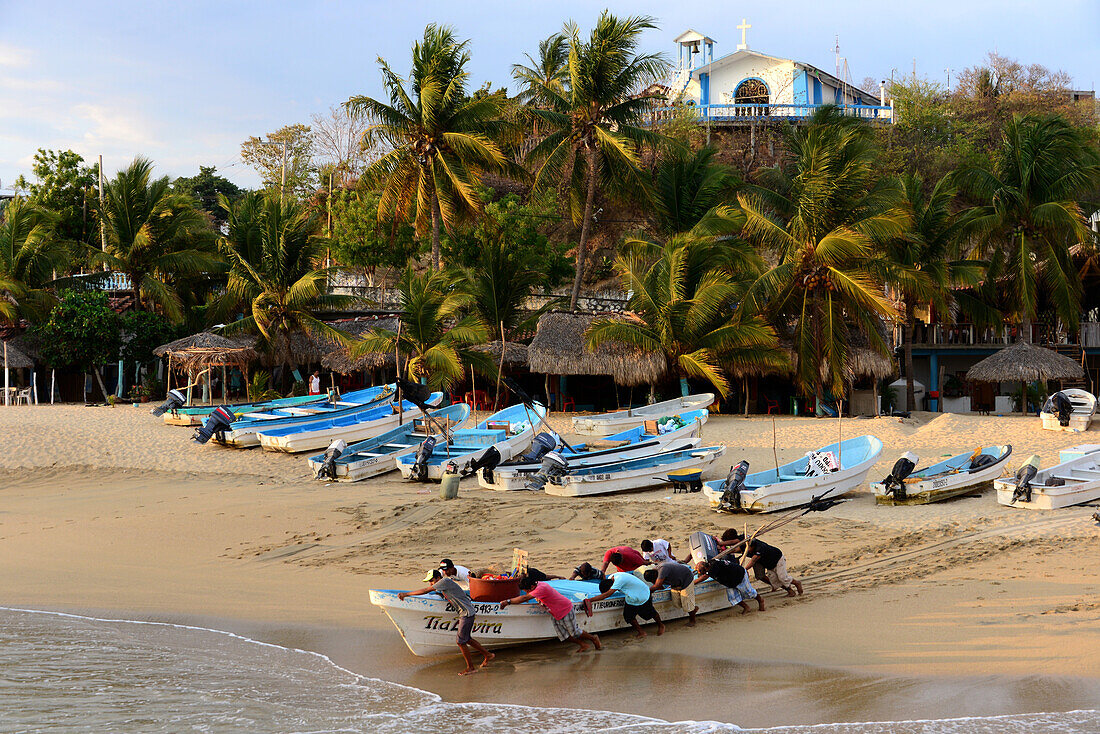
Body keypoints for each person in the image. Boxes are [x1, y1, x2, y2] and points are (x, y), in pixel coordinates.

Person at [398, 568, 494, 675]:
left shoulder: (444, 581)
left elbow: (426, 590)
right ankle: (488, 655)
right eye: (430, 581)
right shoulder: (443, 584)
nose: (431, 583)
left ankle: (470, 667)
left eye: (432, 580)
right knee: (467, 639)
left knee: (461, 641)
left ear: (438, 578)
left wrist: (406, 594)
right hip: (466, 612)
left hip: (466, 613)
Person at [500, 576, 601, 652]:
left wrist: (507, 602)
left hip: (564, 609)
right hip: (554, 612)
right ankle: (583, 645)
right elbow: (527, 596)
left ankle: (593, 638)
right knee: (563, 635)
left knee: (575, 632)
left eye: (527, 590)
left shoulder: (541, 588)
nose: (526, 592)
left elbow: (525, 598)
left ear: (531, 586)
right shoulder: (536, 585)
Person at [584, 572, 665, 638]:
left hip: (643, 594)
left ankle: (661, 625)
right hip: (631, 596)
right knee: (628, 616)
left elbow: (606, 595)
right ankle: (641, 632)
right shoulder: (611, 577)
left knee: (650, 612)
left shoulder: (618, 581)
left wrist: (590, 600)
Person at [695, 558, 765, 614]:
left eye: (701, 572)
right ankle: (746, 607)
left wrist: (692, 583)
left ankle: (760, 600)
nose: (701, 574)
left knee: (749, 592)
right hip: (729, 581)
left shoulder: (713, 568)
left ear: (705, 569)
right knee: (733, 598)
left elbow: (704, 577)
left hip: (739, 576)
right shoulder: (711, 562)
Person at [643, 559, 698, 626]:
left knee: (687, 604)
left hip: (686, 580)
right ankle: (693, 609)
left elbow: (657, 586)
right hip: (675, 583)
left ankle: (692, 620)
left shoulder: (662, 569)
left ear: (655, 576)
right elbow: (658, 586)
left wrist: (645, 593)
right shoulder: (654, 573)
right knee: (676, 603)